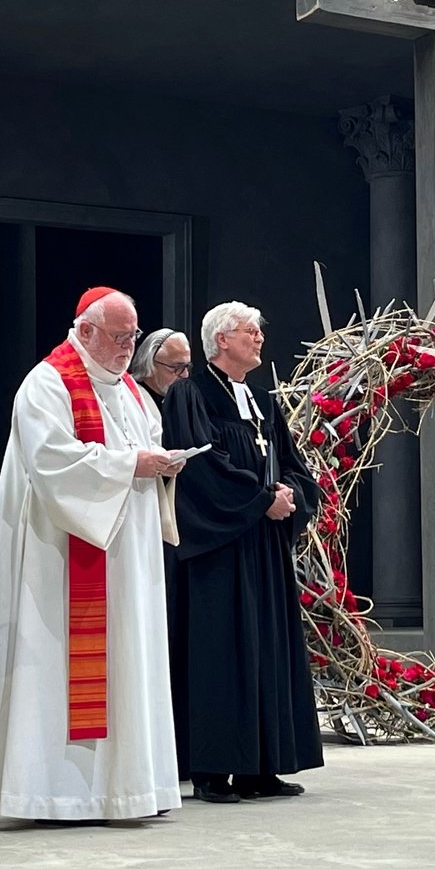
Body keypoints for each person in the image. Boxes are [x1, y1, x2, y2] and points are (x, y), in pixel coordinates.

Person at [0, 288, 184, 820]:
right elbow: (53, 461)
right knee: (56, 666)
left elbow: (143, 443)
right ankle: (54, 793)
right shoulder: (47, 383)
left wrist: (161, 463)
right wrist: (132, 464)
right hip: (60, 555)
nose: (129, 347)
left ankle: (126, 789)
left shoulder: (130, 390)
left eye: (133, 336)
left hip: (127, 558)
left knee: (129, 661)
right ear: (84, 331)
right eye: (118, 336)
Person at [164, 301, 323, 801]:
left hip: (263, 544)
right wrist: (260, 501)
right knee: (222, 652)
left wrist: (289, 495)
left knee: (266, 648)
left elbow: (290, 461)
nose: (259, 338)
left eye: (258, 330)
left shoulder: (260, 398)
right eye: (249, 331)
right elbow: (200, 466)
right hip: (221, 547)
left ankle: (261, 767)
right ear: (221, 341)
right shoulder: (190, 394)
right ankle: (213, 768)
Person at [129, 327, 193, 404]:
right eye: (177, 367)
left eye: (187, 366)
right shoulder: (129, 399)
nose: (185, 375)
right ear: (150, 363)